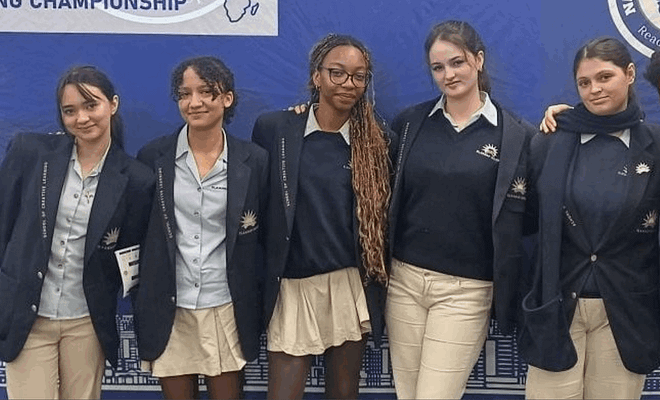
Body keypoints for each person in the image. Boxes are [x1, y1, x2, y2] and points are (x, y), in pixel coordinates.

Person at [386, 20, 534, 399]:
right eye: (438, 67)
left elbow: (529, 219)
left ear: (478, 60)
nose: (448, 75)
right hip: (403, 284)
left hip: (465, 291)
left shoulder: (515, 136)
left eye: (457, 63)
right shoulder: (410, 123)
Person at [251, 33, 393, 400]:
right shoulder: (275, 129)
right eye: (337, 72)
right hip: (291, 285)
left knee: (343, 394)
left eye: (358, 76)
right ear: (317, 76)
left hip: (348, 284)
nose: (348, 83)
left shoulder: (377, 141)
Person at [0, 65, 154, 399]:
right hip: (27, 318)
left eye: (91, 105)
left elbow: (129, 259)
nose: (81, 118)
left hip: (86, 322)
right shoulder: (30, 153)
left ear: (113, 104)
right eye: (69, 111)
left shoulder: (137, 179)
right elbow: (4, 226)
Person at [519, 37, 659, 399]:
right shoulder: (550, 141)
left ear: (630, 74)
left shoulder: (655, 145)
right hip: (557, 308)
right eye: (584, 82)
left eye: (604, 77)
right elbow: (526, 219)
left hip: (626, 314)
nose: (594, 89)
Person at [135, 56, 268, 400]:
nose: (194, 102)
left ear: (227, 98)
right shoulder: (153, 157)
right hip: (169, 307)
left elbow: (265, 238)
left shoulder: (254, 161)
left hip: (224, 305)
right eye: (184, 94)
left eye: (206, 92)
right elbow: (140, 234)